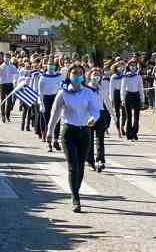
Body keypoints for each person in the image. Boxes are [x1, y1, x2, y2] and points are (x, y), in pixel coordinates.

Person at [47, 64, 100, 213]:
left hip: (85, 131)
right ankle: (75, 198)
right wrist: (50, 132)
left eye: (80, 73)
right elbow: (55, 114)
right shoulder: (63, 93)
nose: (77, 75)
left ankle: (76, 189)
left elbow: (95, 110)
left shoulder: (88, 93)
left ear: (83, 76)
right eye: (74, 73)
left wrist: (93, 118)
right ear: (69, 75)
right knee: (73, 165)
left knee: (81, 165)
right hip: (69, 131)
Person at [85, 67, 120, 172]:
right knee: (89, 140)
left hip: (101, 115)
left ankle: (100, 160)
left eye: (98, 75)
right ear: (89, 76)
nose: (96, 77)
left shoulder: (101, 89)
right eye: (94, 74)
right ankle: (90, 160)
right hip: (89, 116)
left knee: (100, 139)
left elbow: (108, 103)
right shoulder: (86, 89)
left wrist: (114, 116)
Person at [38, 58, 64, 151]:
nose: (51, 66)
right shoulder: (43, 77)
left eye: (52, 65)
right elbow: (40, 92)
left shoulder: (59, 76)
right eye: (49, 64)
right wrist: (41, 104)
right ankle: (48, 142)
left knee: (57, 119)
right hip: (46, 99)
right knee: (48, 120)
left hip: (56, 98)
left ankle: (56, 140)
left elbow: (62, 88)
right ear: (47, 66)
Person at [120, 59, 144, 141]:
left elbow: (141, 88)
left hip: (136, 95)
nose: (133, 67)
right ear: (128, 66)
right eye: (131, 65)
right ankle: (129, 134)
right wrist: (122, 99)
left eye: (134, 65)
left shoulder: (138, 76)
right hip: (128, 95)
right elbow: (123, 88)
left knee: (137, 117)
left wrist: (142, 99)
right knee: (129, 116)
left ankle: (135, 133)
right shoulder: (125, 76)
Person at [0, 53, 19, 123]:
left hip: (10, 84)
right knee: (3, 100)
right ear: (4, 58)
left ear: (10, 58)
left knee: (9, 101)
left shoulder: (13, 67)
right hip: (3, 84)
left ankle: (7, 115)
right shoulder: (1, 66)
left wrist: (15, 81)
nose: (7, 58)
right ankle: (3, 115)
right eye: (6, 57)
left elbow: (17, 74)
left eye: (8, 57)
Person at [110, 62, 126, 136]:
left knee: (124, 112)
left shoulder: (125, 75)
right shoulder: (113, 76)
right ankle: (118, 129)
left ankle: (122, 127)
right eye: (119, 66)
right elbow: (111, 88)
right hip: (116, 93)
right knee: (117, 113)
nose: (120, 68)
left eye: (122, 66)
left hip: (124, 93)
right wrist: (111, 98)